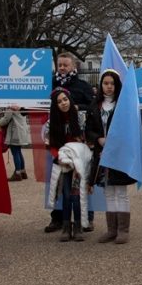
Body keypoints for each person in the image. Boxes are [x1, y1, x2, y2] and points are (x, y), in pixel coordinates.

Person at [45, 52, 95, 233]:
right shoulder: (50, 84)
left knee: (82, 180)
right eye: (60, 65)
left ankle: (86, 217)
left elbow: (93, 106)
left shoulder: (83, 86)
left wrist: (78, 108)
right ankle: (58, 218)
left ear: (74, 66)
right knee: (58, 182)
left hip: (77, 142)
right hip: (57, 141)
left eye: (66, 65)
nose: (62, 68)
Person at [87, 70, 137, 244]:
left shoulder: (123, 105)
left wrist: (115, 143)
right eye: (105, 83)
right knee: (108, 192)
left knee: (120, 192)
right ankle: (111, 230)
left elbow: (129, 129)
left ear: (117, 85)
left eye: (112, 83)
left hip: (119, 154)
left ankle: (123, 230)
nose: (108, 87)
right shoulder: (95, 105)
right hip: (101, 155)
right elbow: (89, 130)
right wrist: (98, 139)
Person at [47, 87, 91, 242]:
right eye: (59, 102)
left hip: (78, 162)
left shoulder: (80, 118)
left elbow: (85, 138)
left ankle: (78, 227)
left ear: (70, 99)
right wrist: (59, 158)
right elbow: (51, 144)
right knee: (66, 195)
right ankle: (66, 227)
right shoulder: (51, 123)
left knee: (76, 195)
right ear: (55, 105)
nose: (63, 103)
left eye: (65, 99)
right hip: (64, 163)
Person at [0, 105, 31, 181]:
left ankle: (17, 173)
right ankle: (23, 171)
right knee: (19, 152)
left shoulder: (10, 107)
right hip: (21, 132)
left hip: (14, 133)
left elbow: (5, 120)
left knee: (15, 152)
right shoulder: (21, 105)